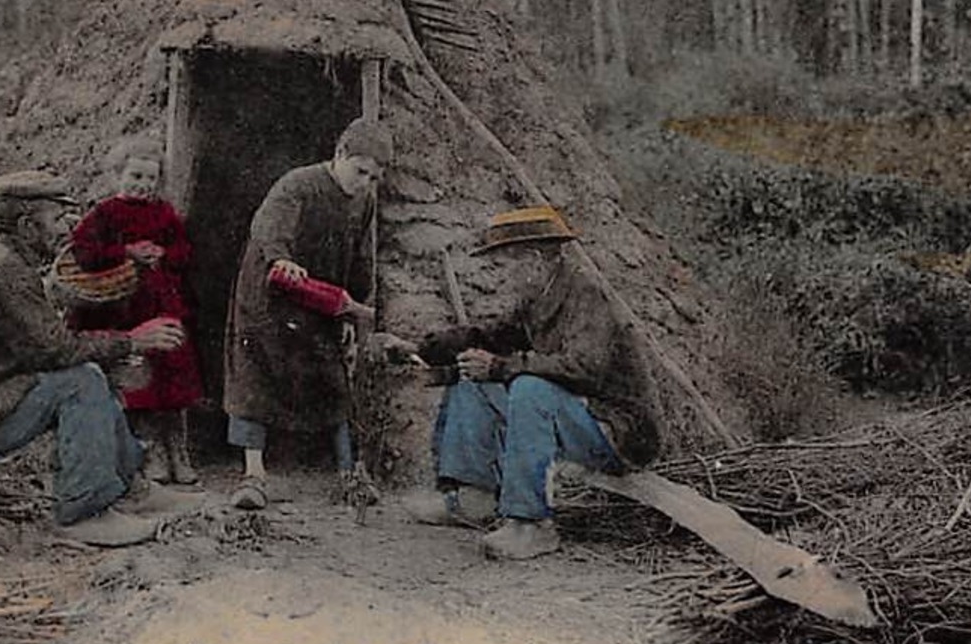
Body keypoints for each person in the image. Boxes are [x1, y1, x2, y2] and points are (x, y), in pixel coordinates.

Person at [0, 170, 192, 545]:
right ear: (27, 226)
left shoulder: (5, 263)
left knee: (87, 372)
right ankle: (81, 513)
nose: (67, 228)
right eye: (57, 218)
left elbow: (45, 345)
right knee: (81, 381)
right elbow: (55, 351)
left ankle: (131, 490)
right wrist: (131, 341)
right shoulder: (3, 271)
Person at [399, 207, 662, 561]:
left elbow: (585, 368)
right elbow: (488, 337)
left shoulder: (587, 296)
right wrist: (423, 348)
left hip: (617, 430)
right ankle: (474, 497)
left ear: (535, 260)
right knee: (472, 372)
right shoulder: (537, 298)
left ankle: (533, 524)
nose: (500, 275)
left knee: (529, 387)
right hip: (577, 415)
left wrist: (503, 366)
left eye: (505, 264)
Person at [222, 117, 391, 510]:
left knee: (333, 379)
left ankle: (350, 473)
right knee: (255, 376)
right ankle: (253, 475)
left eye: (373, 177)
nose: (364, 182)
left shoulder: (364, 201)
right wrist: (282, 258)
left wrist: (351, 312)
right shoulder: (297, 184)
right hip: (270, 294)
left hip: (317, 298)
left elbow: (361, 255)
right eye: (359, 171)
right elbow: (268, 227)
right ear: (339, 155)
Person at [67, 136, 203, 486]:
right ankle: (150, 450)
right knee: (140, 382)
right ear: (118, 175)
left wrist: (164, 255)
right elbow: (83, 252)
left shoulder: (164, 213)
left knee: (173, 376)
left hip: (164, 305)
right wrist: (126, 252)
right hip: (127, 310)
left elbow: (185, 251)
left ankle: (178, 449)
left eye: (150, 179)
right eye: (136, 177)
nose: (142, 185)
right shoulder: (105, 213)